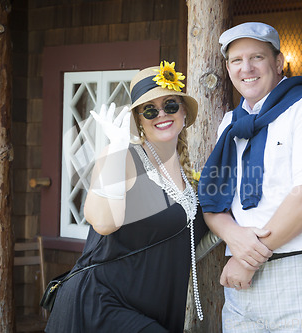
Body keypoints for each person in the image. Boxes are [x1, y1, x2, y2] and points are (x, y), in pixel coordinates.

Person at [198, 22, 302, 332]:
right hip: (242, 287)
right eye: (236, 61)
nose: (246, 68)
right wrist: (234, 237)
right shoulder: (230, 125)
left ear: (278, 63)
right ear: (227, 68)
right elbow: (215, 200)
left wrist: (248, 258)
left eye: (257, 58)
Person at [45, 61, 208, 333]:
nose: (161, 114)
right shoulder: (123, 157)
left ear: (182, 111)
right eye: (149, 110)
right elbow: (103, 222)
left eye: (169, 105)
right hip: (102, 305)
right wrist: (117, 149)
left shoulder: (191, 177)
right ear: (138, 120)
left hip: (153, 309)